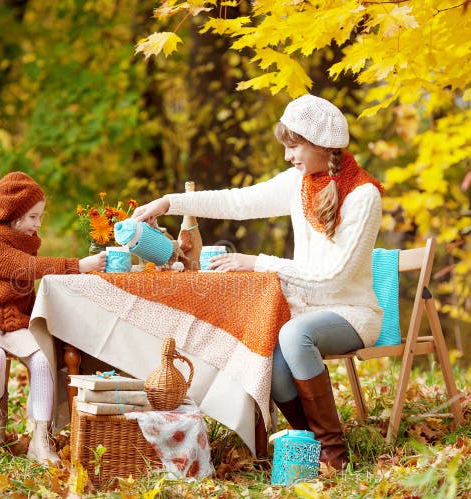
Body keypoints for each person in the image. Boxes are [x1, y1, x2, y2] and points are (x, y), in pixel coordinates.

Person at [132, 94, 384, 470]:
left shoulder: (363, 196)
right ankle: (308, 443)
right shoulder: (298, 183)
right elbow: (237, 202)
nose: (288, 156)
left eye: (293, 145)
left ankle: (334, 451)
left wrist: (257, 263)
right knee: (268, 349)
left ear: (320, 144)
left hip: (350, 312)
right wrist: (168, 203)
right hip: (302, 310)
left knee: (293, 335)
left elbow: (334, 278)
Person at [0, 171, 106, 465]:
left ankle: (40, 436)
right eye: (33, 217)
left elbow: (30, 269)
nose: (38, 224)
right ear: (13, 217)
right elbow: (27, 267)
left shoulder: (26, 240)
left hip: (12, 321)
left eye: (40, 217)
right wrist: (78, 265)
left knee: (43, 360)